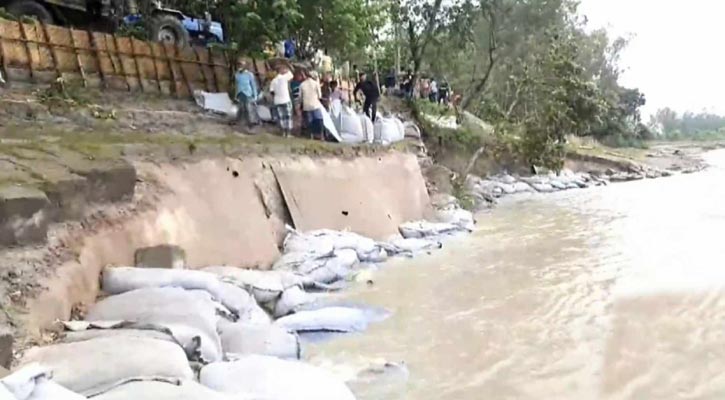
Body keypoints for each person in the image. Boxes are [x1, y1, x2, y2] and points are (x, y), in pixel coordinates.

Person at [270, 65, 294, 137]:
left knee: (281, 117)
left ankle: (283, 132)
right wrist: (288, 69)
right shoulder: (284, 78)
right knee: (288, 116)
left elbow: (271, 91)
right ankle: (288, 133)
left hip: (277, 100)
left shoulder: (273, 80)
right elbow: (291, 75)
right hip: (286, 99)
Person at [300, 70, 325, 140]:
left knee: (309, 122)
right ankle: (321, 135)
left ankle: (311, 136)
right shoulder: (316, 84)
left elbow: (300, 97)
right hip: (315, 105)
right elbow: (320, 96)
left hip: (306, 106)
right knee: (319, 120)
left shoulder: (302, 84)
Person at [235, 61, 259, 127]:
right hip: (240, 93)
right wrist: (236, 95)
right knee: (241, 108)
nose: (240, 66)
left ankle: (252, 123)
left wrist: (255, 95)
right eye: (239, 65)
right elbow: (237, 85)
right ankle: (240, 121)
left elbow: (253, 85)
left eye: (241, 65)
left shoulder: (249, 75)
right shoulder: (237, 75)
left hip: (248, 93)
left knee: (249, 108)